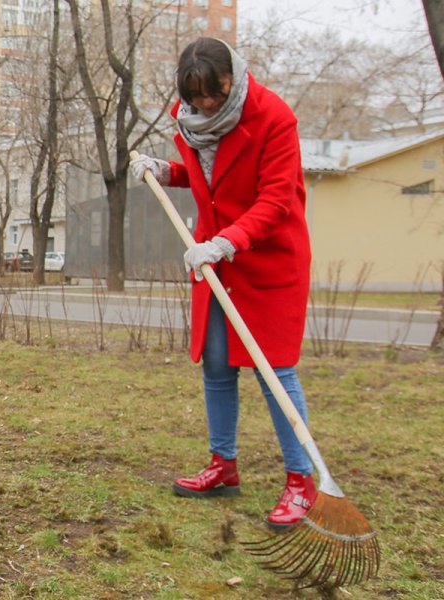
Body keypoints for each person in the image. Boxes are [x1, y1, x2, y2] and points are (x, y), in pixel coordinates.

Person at [130, 37, 316, 531]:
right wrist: (163, 171)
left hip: (266, 261)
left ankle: (301, 480)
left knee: (274, 371)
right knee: (216, 365)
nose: (206, 105)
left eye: (214, 94)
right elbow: (205, 179)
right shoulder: (191, 121)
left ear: (231, 78)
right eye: (196, 98)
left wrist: (227, 241)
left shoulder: (273, 118)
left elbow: (277, 199)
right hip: (215, 262)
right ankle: (223, 466)